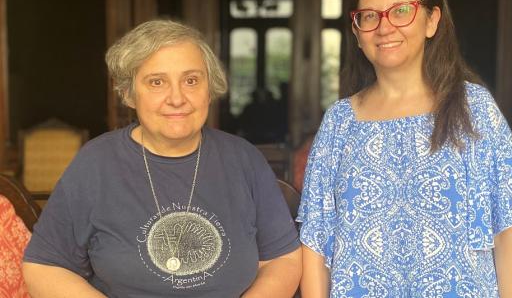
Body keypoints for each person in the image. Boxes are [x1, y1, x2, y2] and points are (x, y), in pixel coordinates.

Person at [297, 0, 512, 297]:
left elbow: (510, 231)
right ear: (356, 32)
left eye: (401, 11)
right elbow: (316, 244)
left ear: (432, 20)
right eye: (369, 16)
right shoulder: (340, 123)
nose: (384, 27)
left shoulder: (475, 109)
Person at [22, 20, 302, 297]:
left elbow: (282, 260)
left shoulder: (244, 159)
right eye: (157, 82)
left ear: (209, 88)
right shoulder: (94, 164)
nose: (177, 98)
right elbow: (44, 267)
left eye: (191, 80)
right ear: (129, 94)